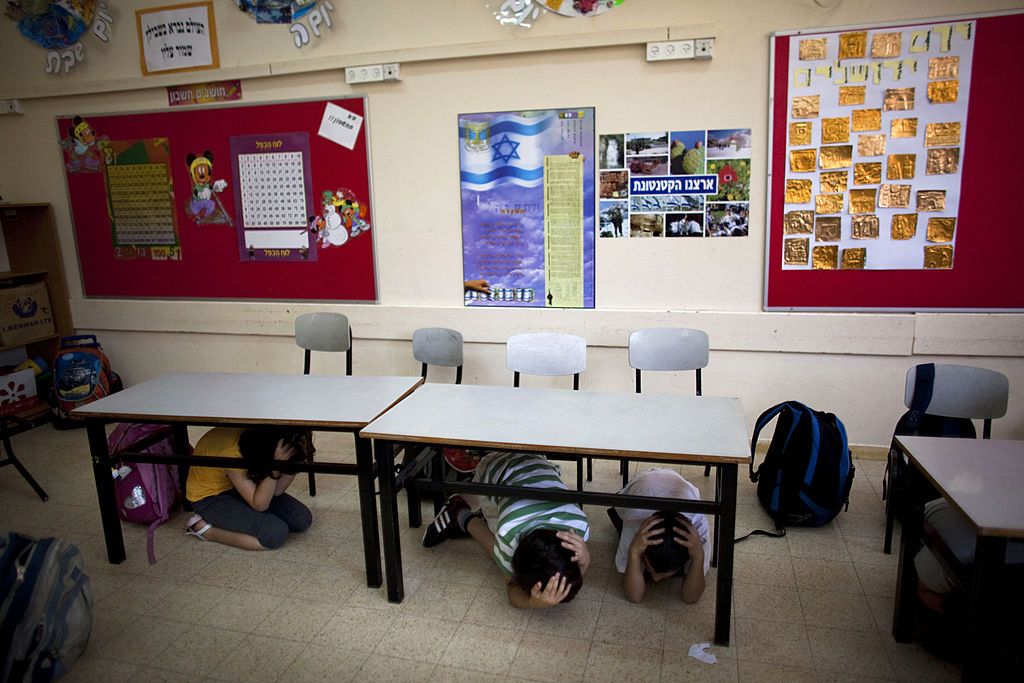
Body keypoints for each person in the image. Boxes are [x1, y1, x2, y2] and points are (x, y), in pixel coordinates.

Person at [422, 451, 591, 608]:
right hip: (491, 470)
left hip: (534, 458)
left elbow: (573, 569)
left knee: (505, 537)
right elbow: (512, 591)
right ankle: (459, 513)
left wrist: (586, 560)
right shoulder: (508, 531)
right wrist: (532, 602)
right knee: (498, 549)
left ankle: (486, 512)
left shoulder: (579, 526)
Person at [184, 426, 313, 550]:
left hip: (237, 484)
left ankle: (247, 516)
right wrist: (275, 467)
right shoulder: (233, 453)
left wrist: (298, 459)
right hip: (210, 497)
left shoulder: (264, 440)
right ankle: (206, 531)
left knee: (301, 519)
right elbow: (260, 505)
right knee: (275, 534)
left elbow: (277, 491)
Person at [608, 468, 710, 603]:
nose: (655, 580)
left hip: (682, 489)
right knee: (616, 513)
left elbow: (690, 598)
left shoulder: (698, 528)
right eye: (651, 569)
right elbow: (634, 596)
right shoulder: (636, 522)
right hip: (642, 486)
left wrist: (699, 558)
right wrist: (633, 552)